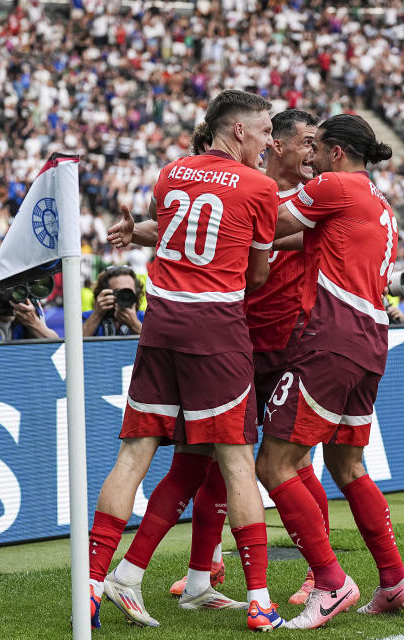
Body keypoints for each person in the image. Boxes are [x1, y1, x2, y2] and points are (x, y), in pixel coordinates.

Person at [106, 110, 329, 611]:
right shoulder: (260, 187)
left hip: (278, 342)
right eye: (303, 143)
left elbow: (191, 224)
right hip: (229, 337)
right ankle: (209, 576)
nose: (310, 154)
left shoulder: (318, 194)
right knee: (218, 464)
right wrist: (141, 230)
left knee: (282, 462)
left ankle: (314, 574)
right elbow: (206, 234)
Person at [87, 89, 284, 632]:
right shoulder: (261, 186)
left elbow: (177, 230)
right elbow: (258, 275)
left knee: (134, 454)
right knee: (238, 461)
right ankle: (263, 598)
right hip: (215, 330)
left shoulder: (172, 173)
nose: (269, 142)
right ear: (238, 130)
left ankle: (96, 580)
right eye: (265, 131)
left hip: (160, 322)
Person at [256, 114, 404, 629]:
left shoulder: (334, 186)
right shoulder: (375, 201)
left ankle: (329, 580)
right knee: (349, 467)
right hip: (369, 340)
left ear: (338, 152)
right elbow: (292, 242)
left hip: (330, 338)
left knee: (274, 465)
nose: (309, 157)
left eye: (317, 149)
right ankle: (394, 580)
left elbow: (266, 225)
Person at [82, 266, 145, 336]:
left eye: (129, 292)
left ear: (136, 294)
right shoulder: (87, 318)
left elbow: (156, 345)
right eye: (118, 292)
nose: (124, 296)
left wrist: (135, 325)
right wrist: (97, 315)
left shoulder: (145, 318)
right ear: (105, 294)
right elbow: (73, 345)